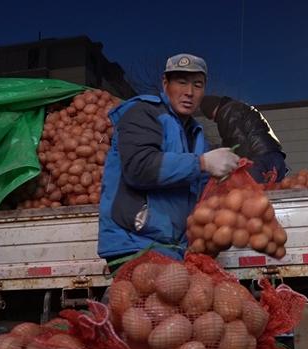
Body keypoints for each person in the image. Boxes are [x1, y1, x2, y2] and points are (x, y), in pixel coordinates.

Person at [98, 53, 240, 262]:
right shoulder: (144, 113)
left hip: (173, 248)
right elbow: (139, 167)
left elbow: (199, 191)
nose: (189, 92)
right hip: (136, 243)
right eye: (181, 83)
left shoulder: (196, 134)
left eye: (198, 85)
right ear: (165, 84)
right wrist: (201, 163)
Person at [200, 95, 287, 183]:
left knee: (251, 192)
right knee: (275, 191)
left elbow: (238, 140)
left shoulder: (225, 113)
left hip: (259, 159)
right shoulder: (241, 106)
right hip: (274, 155)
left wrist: (233, 163)